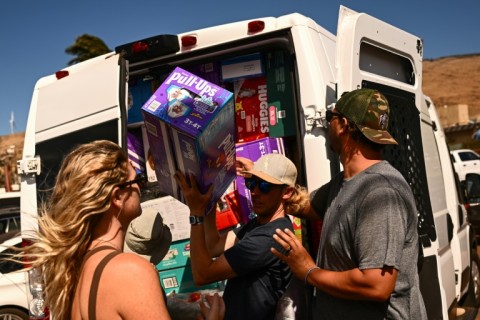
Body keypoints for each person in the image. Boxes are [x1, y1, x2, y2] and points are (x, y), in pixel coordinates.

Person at [16, 140, 224, 320]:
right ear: (117, 197)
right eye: (137, 180)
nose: (140, 188)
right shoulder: (129, 271)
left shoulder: (77, 272)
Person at [268, 89, 428, 319]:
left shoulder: (380, 192)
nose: (326, 125)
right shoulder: (344, 183)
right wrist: (261, 178)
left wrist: (308, 271)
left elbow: (376, 285)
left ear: (342, 124)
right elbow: (303, 205)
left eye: (329, 118)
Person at [174, 153, 309, 320]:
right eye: (251, 183)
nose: (255, 192)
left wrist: (196, 213)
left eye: (265, 186)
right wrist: (210, 201)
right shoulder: (260, 225)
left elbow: (202, 275)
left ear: (287, 192)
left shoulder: (271, 236)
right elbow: (214, 246)